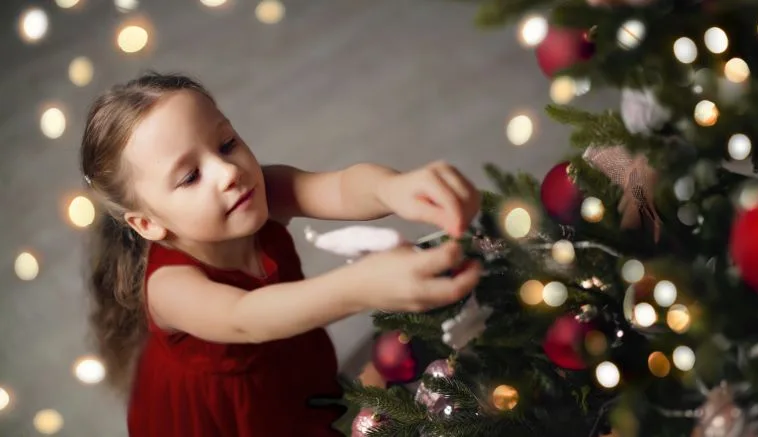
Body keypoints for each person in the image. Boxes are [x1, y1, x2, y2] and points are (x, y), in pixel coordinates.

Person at [80, 72, 482, 437]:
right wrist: (361, 287)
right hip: (221, 419)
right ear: (147, 224)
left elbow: (341, 187)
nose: (227, 172)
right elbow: (247, 318)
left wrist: (393, 188)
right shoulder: (169, 288)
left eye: (226, 144)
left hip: (289, 366)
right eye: (190, 176)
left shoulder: (260, 193)